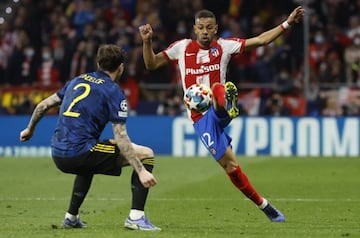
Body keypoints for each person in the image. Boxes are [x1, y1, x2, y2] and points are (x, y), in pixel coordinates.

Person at [139, 6, 305, 222]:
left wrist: (288, 23)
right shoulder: (181, 48)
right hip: (200, 119)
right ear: (194, 29)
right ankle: (264, 206)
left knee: (218, 88)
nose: (205, 31)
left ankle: (223, 98)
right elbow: (151, 64)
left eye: (209, 27)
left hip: (219, 108)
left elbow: (261, 40)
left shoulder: (225, 47)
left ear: (216, 29)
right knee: (231, 166)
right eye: (201, 28)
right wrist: (147, 41)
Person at [19, 44, 161, 231]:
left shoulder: (77, 80)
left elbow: (43, 105)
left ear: (98, 63)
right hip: (79, 153)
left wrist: (29, 129)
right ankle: (136, 217)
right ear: (121, 67)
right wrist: (141, 170)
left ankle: (71, 217)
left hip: (57, 152)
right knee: (146, 153)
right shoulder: (113, 91)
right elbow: (121, 137)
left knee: (90, 155)